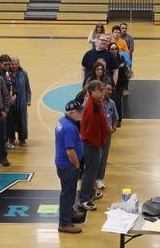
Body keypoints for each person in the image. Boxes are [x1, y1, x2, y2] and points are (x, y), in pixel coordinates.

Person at [77, 80, 109, 212]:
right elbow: (89, 130)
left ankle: (89, 192)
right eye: (100, 90)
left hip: (96, 143)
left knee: (93, 171)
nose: (103, 92)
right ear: (92, 92)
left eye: (103, 89)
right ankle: (84, 199)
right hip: (92, 145)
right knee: (89, 172)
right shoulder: (91, 107)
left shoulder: (96, 103)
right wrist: (97, 144)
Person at [55, 100, 86, 234]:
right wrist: (77, 165)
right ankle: (64, 223)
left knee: (69, 191)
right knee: (67, 194)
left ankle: (70, 212)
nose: (82, 113)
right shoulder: (70, 128)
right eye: (79, 111)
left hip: (63, 164)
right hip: (69, 166)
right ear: (72, 113)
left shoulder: (62, 121)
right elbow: (70, 151)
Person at [96, 82, 119, 191]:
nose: (110, 92)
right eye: (108, 89)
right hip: (96, 134)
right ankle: (92, 178)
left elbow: (116, 117)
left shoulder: (112, 103)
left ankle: (100, 178)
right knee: (96, 156)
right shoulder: (96, 103)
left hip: (107, 135)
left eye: (111, 90)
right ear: (103, 89)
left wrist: (113, 128)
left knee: (104, 157)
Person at [6, 56, 32, 147]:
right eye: (12, 64)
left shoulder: (24, 74)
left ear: (19, 64)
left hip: (22, 102)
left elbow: (27, 88)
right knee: (11, 121)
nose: (14, 65)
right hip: (11, 102)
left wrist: (28, 100)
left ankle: (22, 139)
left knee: (22, 121)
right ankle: (11, 138)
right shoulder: (7, 74)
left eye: (16, 64)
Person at [109, 43, 131, 126]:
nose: (114, 50)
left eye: (115, 49)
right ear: (109, 50)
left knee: (118, 101)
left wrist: (122, 66)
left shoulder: (121, 58)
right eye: (112, 49)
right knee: (110, 101)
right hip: (110, 83)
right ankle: (111, 118)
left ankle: (118, 119)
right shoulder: (108, 58)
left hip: (120, 83)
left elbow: (124, 69)